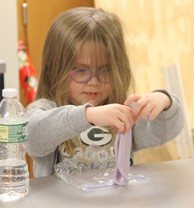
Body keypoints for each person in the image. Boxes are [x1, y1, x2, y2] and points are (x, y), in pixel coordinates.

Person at [26, 7, 184, 177]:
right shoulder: (44, 109)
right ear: (55, 69)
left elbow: (166, 132)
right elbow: (32, 138)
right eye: (80, 70)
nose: (94, 81)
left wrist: (165, 102)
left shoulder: (123, 113)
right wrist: (88, 116)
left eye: (105, 70)